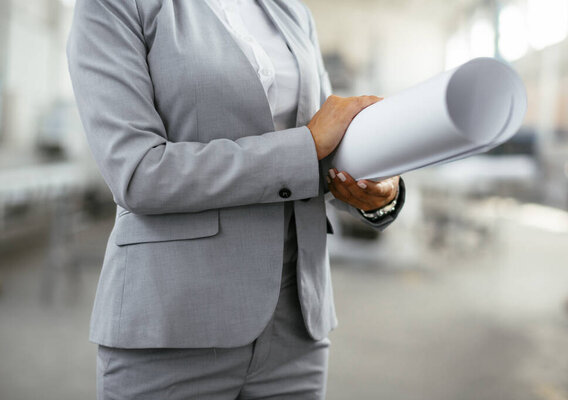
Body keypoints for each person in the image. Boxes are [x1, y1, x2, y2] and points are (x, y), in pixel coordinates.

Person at [66, 0, 405, 398]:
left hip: (296, 327)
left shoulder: (291, 11)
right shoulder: (115, 6)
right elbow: (139, 171)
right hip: (175, 326)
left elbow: (328, 150)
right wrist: (305, 145)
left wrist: (376, 193)